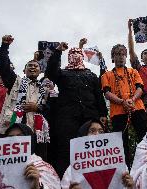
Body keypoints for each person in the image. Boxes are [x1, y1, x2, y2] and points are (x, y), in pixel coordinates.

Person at [45, 41, 108, 177]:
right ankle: (66, 180)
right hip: (67, 119)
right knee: (67, 150)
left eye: (78, 54)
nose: (75, 56)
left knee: (91, 150)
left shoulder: (90, 75)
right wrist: (57, 52)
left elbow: (98, 94)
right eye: (72, 54)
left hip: (89, 117)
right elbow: (50, 72)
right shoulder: (62, 73)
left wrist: (103, 113)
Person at [0, 123, 61, 189]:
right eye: (10, 138)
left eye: (20, 136)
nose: (15, 140)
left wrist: (37, 186)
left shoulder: (41, 167)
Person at [101, 44, 147, 168]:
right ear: (112, 57)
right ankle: (125, 172)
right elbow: (106, 92)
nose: (121, 57)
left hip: (137, 107)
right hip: (118, 112)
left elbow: (140, 88)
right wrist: (122, 102)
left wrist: (132, 100)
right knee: (121, 144)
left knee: (145, 138)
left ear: (126, 56)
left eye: (123, 54)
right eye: (117, 54)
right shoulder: (106, 75)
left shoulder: (134, 71)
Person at [61, 119, 134, 189]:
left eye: (101, 132)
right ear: (82, 136)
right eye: (92, 131)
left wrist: (131, 187)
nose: (97, 134)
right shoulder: (73, 170)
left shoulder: (118, 164)